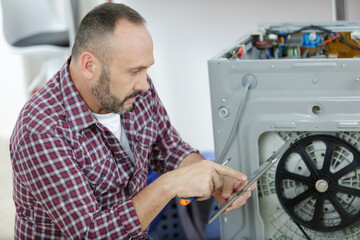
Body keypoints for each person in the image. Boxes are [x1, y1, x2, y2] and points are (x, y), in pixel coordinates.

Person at [10, 3, 255, 239]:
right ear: (89, 65)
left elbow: (166, 146)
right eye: (134, 71)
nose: (144, 84)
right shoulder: (41, 131)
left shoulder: (134, 91)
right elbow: (92, 234)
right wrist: (169, 185)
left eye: (146, 69)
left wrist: (211, 175)